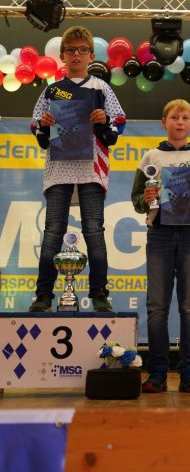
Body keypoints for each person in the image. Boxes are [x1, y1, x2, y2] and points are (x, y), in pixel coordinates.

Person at [29, 25, 126, 313]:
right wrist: (44, 124)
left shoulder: (101, 88)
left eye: (83, 50)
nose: (76, 55)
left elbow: (119, 122)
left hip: (91, 169)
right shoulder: (51, 89)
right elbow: (36, 124)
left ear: (91, 56)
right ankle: (43, 295)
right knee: (53, 231)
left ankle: (99, 295)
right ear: (62, 56)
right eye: (70, 50)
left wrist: (104, 119)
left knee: (94, 231)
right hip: (59, 168)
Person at [131, 98, 190, 394]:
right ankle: (157, 372)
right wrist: (148, 197)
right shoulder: (150, 157)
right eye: (174, 117)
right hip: (159, 234)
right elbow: (137, 201)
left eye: (185, 118)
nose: (179, 122)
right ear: (164, 122)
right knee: (157, 307)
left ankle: (189, 373)